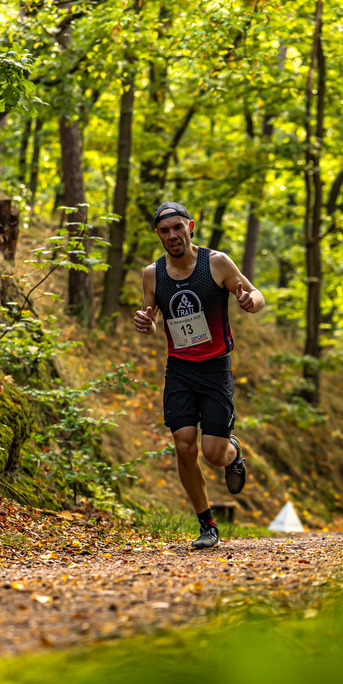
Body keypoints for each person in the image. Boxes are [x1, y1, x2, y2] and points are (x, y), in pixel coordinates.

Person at [134, 201, 265, 550]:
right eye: (165, 230)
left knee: (211, 451)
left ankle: (233, 454)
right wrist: (145, 322)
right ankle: (207, 525)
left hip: (215, 367)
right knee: (183, 445)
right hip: (179, 369)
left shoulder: (216, 263)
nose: (173, 235)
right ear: (159, 235)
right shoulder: (153, 273)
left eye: (178, 227)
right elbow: (149, 313)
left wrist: (250, 299)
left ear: (190, 226)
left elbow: (255, 292)